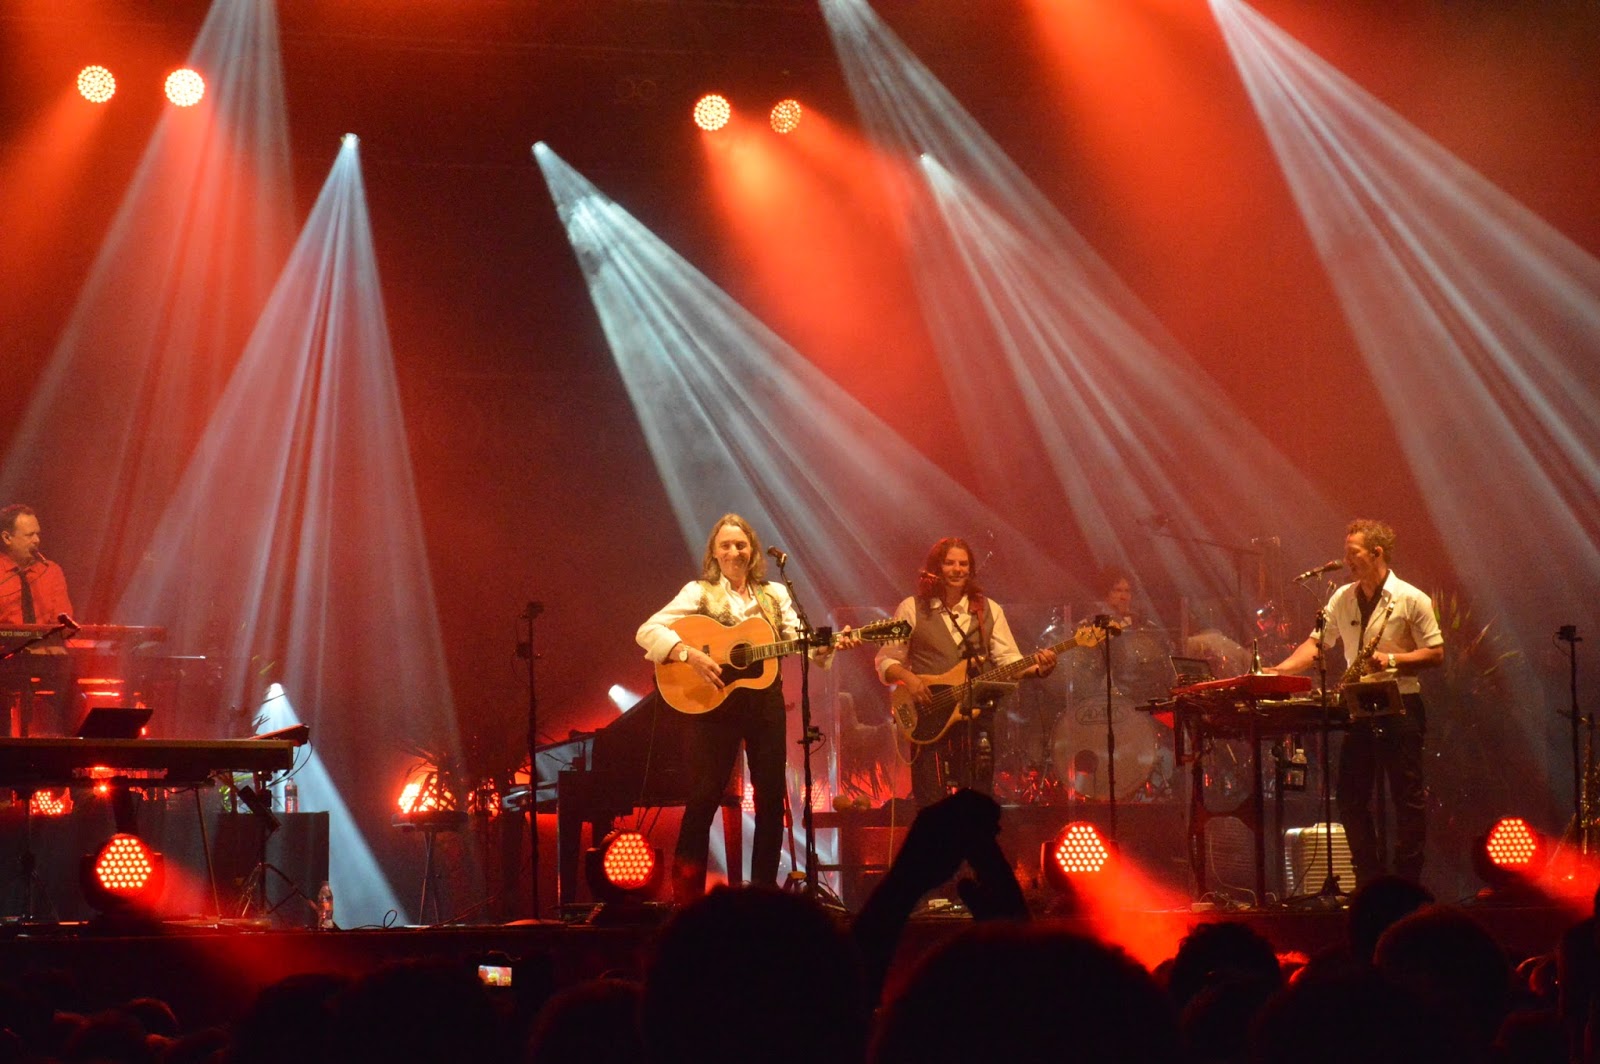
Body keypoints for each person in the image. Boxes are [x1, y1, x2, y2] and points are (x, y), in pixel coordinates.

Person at [636, 513, 850, 904]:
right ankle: (687, 900)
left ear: (752, 551)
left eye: (741, 544)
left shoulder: (775, 594)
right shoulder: (698, 592)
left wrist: (825, 647)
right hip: (714, 703)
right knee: (703, 796)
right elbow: (648, 630)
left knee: (770, 798)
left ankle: (763, 897)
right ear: (714, 554)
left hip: (764, 700)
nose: (734, 551)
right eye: (726, 545)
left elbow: (796, 639)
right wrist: (689, 655)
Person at [1267, 519, 1443, 887]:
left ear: (1377, 553)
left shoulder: (1412, 598)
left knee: (1406, 798)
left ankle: (1407, 882)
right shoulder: (1341, 597)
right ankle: (1370, 880)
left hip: (1401, 703)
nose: (1347, 560)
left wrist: (1392, 660)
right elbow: (1316, 644)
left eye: (1354, 553)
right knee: (1350, 797)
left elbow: (1437, 653)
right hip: (1359, 705)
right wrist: (1277, 672)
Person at [876, 536, 1056, 807]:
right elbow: (886, 661)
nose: (957, 569)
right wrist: (910, 680)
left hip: (976, 716)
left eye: (963, 564)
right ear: (936, 568)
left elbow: (1008, 660)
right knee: (931, 801)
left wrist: (1038, 668)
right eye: (949, 563)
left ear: (971, 569)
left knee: (976, 799)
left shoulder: (988, 609)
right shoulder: (911, 608)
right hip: (929, 716)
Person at [0, 504, 73, 625]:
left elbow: (62, 625)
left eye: (37, 534)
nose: (36, 540)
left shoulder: (51, 571)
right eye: (29, 535)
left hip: (44, 643)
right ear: (7, 538)